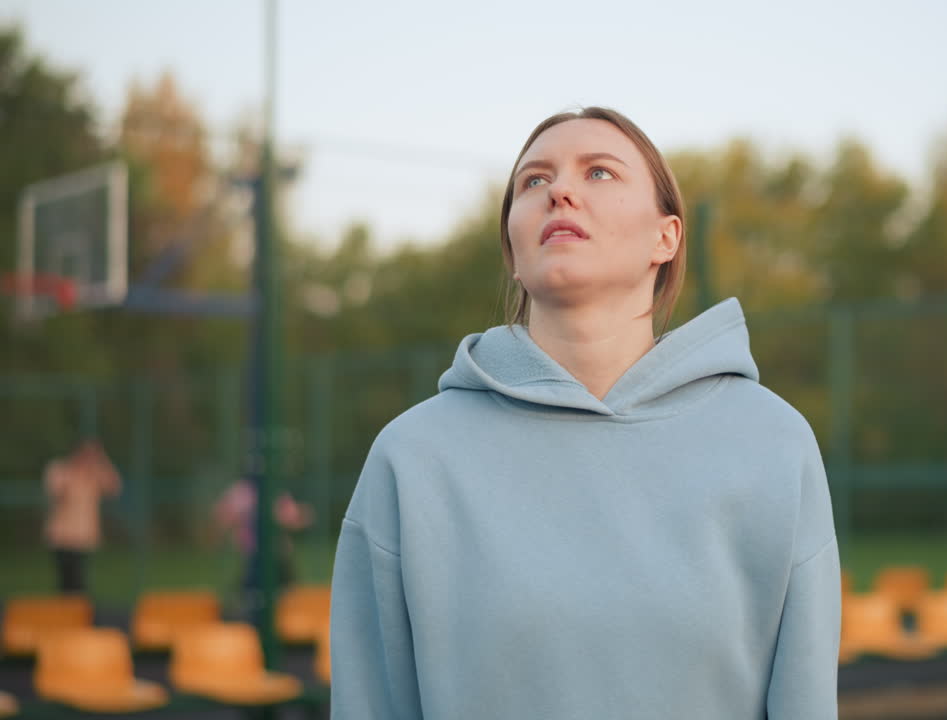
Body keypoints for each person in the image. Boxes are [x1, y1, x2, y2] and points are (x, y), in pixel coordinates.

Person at [330, 107, 840, 719]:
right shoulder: (411, 457)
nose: (560, 191)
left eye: (599, 173)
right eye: (534, 181)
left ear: (667, 237)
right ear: (515, 253)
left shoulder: (772, 441)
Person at [212, 478, 313, 606]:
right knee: (259, 588)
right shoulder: (257, 492)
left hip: (273, 554)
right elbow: (290, 518)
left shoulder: (247, 492)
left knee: (262, 589)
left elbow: (291, 518)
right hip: (264, 554)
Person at [43, 438, 121, 594]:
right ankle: (64, 613)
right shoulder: (60, 469)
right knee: (66, 580)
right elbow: (56, 491)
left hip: (83, 536)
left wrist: (101, 460)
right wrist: (75, 471)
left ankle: (76, 613)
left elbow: (115, 486)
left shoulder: (94, 475)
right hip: (62, 536)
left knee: (79, 582)